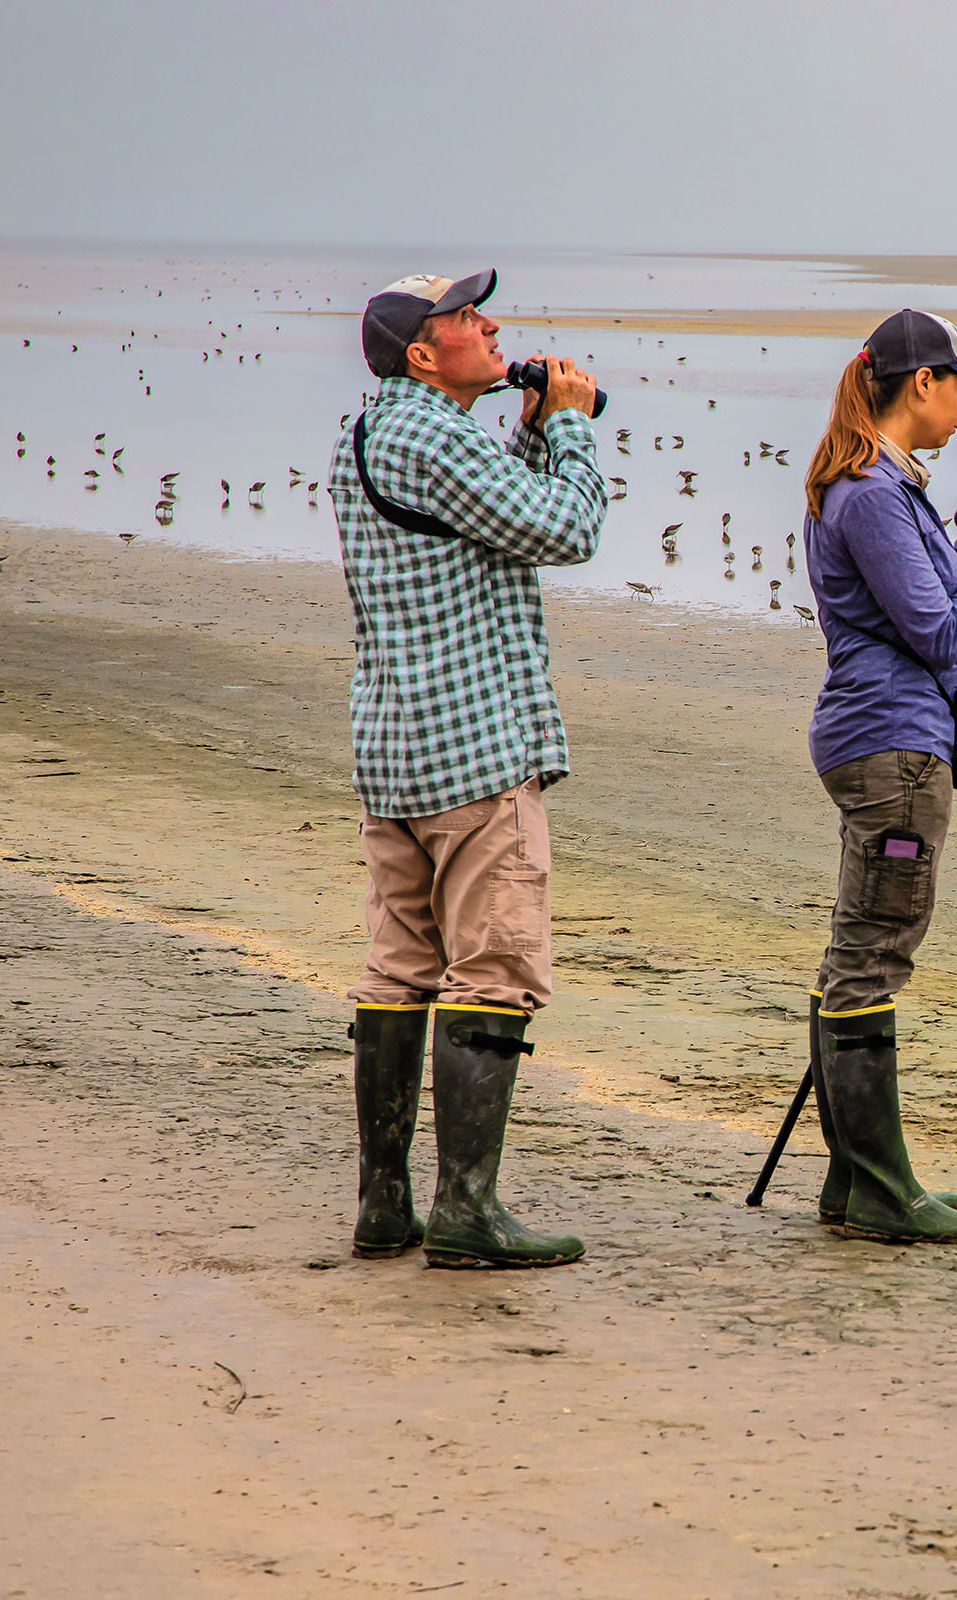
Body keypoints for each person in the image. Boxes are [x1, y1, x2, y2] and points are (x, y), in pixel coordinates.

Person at [328, 269, 607, 1268]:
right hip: (474, 746)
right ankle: (467, 1210)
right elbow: (565, 529)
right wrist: (571, 423)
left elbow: (493, 525)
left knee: (400, 969)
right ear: (421, 351)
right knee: (492, 968)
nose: (490, 325)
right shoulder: (437, 434)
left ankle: (385, 1203)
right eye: (464, 317)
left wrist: (529, 427)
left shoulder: (372, 432)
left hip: (395, 747)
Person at [798, 309, 957, 1244]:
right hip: (892, 747)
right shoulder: (870, 491)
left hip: (885, 739)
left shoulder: (883, 484)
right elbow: (940, 632)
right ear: (922, 385)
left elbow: (922, 595)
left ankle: (855, 1184)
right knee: (874, 953)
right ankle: (882, 1192)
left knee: (859, 947)